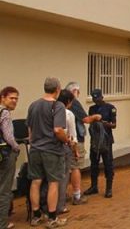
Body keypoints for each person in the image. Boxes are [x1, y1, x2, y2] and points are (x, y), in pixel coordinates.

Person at [26, 77, 69, 228]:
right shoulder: (58, 106)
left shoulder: (33, 105)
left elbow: (29, 130)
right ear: (57, 89)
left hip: (35, 150)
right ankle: (52, 218)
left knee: (35, 182)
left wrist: (35, 143)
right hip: (52, 150)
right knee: (53, 183)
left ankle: (36, 216)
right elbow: (58, 130)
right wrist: (66, 140)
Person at [64, 82, 101, 205]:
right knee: (76, 167)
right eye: (78, 91)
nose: (78, 94)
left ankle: (61, 195)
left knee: (64, 168)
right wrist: (96, 117)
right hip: (74, 140)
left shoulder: (58, 103)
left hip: (62, 140)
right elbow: (85, 119)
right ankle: (77, 195)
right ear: (74, 91)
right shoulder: (73, 103)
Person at [84, 89, 116, 199]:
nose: (95, 100)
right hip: (95, 140)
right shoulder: (92, 109)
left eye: (97, 98)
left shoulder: (110, 108)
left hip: (106, 141)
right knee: (94, 164)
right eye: (94, 98)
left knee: (108, 164)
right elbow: (89, 122)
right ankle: (94, 186)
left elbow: (114, 125)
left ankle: (109, 188)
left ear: (102, 97)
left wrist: (103, 123)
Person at [0, 87, 20, 229]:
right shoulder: (4, 113)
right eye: (11, 98)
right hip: (5, 154)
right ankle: (2, 223)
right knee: (4, 190)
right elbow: (8, 136)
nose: (14, 101)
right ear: (2, 97)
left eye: (16, 98)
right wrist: (16, 147)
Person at [56, 90, 78, 215]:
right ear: (68, 101)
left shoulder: (50, 110)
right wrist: (75, 150)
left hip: (48, 148)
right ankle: (60, 205)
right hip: (64, 146)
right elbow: (73, 135)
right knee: (63, 177)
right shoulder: (68, 114)